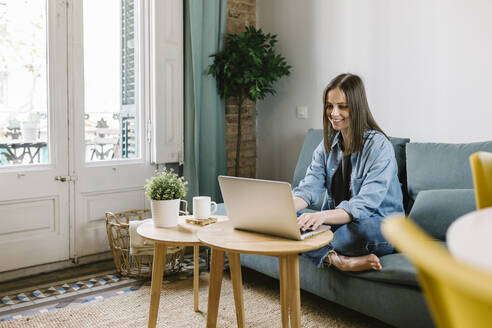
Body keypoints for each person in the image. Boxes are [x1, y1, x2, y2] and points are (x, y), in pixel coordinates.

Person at [293, 73, 404, 271]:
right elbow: (309, 188)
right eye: (329, 105)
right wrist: (281, 211)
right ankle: (337, 260)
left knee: (351, 234)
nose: (334, 113)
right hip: (340, 222)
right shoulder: (327, 144)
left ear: (357, 106)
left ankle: (321, 248)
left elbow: (363, 206)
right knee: (289, 225)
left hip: (380, 225)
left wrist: (322, 217)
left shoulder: (379, 146)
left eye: (342, 106)